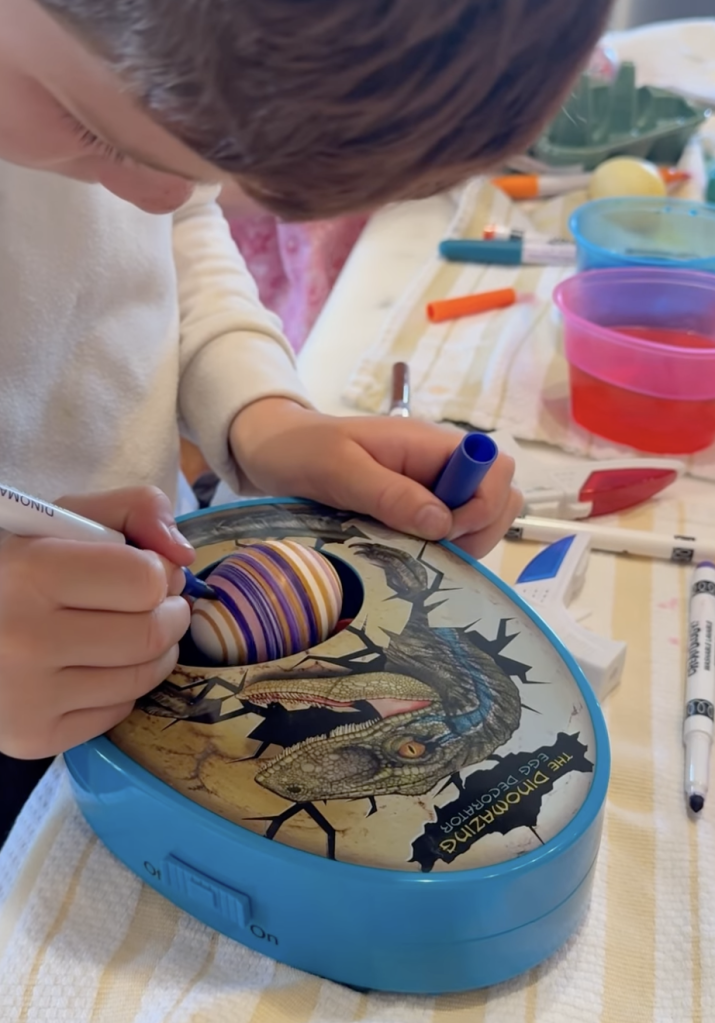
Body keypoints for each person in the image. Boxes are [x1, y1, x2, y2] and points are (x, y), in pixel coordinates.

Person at [0, 0, 613, 841]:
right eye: (93, 132)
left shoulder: (110, 109)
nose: (156, 191)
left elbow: (170, 218)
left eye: (202, 165)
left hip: (147, 608)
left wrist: (259, 415)